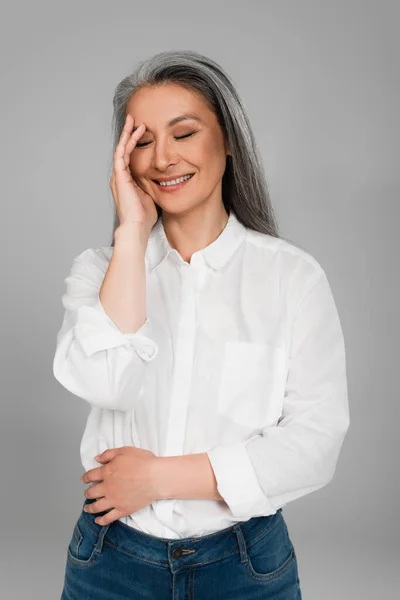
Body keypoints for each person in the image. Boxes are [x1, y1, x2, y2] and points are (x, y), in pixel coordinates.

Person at [54, 49, 349, 599]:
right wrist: (132, 234)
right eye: (141, 140)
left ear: (229, 139)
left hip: (245, 564)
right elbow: (107, 383)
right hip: (111, 562)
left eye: (183, 133)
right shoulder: (99, 270)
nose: (162, 157)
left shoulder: (292, 277)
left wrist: (159, 477)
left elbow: (314, 443)